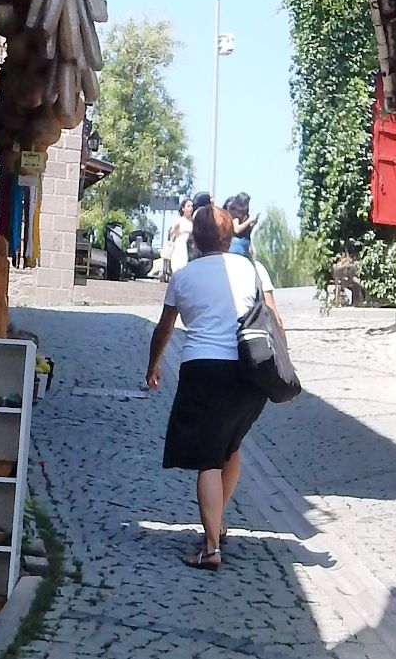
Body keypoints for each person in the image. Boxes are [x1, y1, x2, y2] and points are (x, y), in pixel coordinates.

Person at [146, 204, 284, 570]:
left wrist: (153, 364)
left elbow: (164, 329)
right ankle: (217, 522)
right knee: (230, 449)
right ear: (229, 237)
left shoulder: (183, 277)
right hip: (248, 373)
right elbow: (274, 318)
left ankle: (210, 549)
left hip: (203, 370)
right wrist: (284, 371)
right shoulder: (252, 268)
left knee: (207, 459)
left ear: (195, 240)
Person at [163, 199, 195, 281]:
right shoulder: (179, 220)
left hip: (189, 247)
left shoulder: (193, 221)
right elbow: (172, 234)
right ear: (183, 208)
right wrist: (175, 229)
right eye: (188, 206)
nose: (190, 208)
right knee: (179, 268)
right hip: (179, 246)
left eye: (191, 206)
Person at [228, 192, 257, 257]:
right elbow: (236, 229)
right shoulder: (234, 213)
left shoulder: (244, 214)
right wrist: (249, 220)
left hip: (244, 247)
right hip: (235, 247)